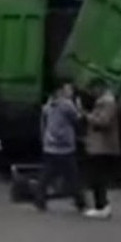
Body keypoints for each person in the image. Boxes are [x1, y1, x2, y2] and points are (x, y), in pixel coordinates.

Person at [35, 79, 86, 212]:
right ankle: (80, 202)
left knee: (46, 175)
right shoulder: (67, 105)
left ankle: (39, 200)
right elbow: (77, 119)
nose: (70, 92)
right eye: (68, 89)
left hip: (50, 145)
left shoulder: (49, 104)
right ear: (61, 91)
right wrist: (79, 106)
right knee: (72, 176)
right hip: (65, 147)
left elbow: (44, 122)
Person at [83, 78, 121, 219]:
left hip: (102, 146)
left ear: (99, 87)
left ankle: (102, 206)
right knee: (97, 177)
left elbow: (103, 121)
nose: (92, 93)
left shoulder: (107, 102)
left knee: (98, 177)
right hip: (100, 146)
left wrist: (87, 116)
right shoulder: (105, 101)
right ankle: (101, 205)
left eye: (93, 89)